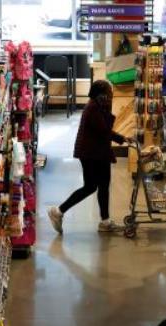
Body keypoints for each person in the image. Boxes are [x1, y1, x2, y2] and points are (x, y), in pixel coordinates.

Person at [48, 80, 130, 235]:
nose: (111, 95)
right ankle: (58, 211)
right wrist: (122, 138)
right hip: (92, 154)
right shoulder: (93, 108)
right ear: (101, 95)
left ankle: (104, 221)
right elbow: (105, 130)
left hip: (95, 152)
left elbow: (104, 130)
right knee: (91, 186)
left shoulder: (96, 106)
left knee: (102, 185)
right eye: (108, 93)